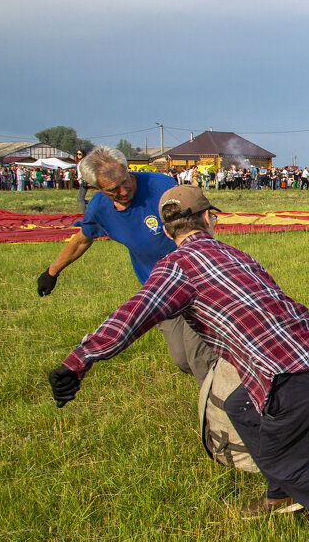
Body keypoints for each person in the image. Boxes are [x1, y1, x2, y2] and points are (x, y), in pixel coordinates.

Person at [48, 186, 309, 524]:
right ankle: (280, 490)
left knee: (282, 461)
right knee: (240, 406)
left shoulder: (175, 269)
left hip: (291, 375)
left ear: (166, 231)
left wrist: (77, 361)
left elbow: (131, 318)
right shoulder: (236, 254)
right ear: (209, 219)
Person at [37, 146, 215, 384]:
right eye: (113, 189)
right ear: (97, 189)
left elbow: (200, 226)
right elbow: (82, 239)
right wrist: (52, 272)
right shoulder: (99, 208)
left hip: (195, 283)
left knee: (201, 358)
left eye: (126, 180)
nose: (124, 190)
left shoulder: (161, 187)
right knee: (182, 359)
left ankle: (229, 409)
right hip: (158, 291)